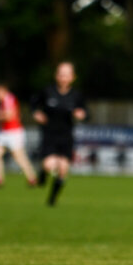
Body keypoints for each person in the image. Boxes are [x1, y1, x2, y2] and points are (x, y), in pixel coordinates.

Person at [31, 62, 87, 206]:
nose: (63, 77)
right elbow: (34, 104)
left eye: (66, 75)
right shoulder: (47, 91)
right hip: (49, 135)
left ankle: (52, 200)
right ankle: (43, 173)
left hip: (66, 137)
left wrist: (81, 114)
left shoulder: (76, 95)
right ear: (56, 76)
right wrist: (36, 113)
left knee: (63, 169)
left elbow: (86, 113)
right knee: (50, 165)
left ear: (72, 77)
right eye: (61, 74)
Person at [0, 82, 37, 188]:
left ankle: (32, 178)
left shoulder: (9, 99)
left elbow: (10, 116)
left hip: (13, 132)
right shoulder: (4, 101)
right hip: (4, 132)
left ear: (1, 91)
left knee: (19, 157)